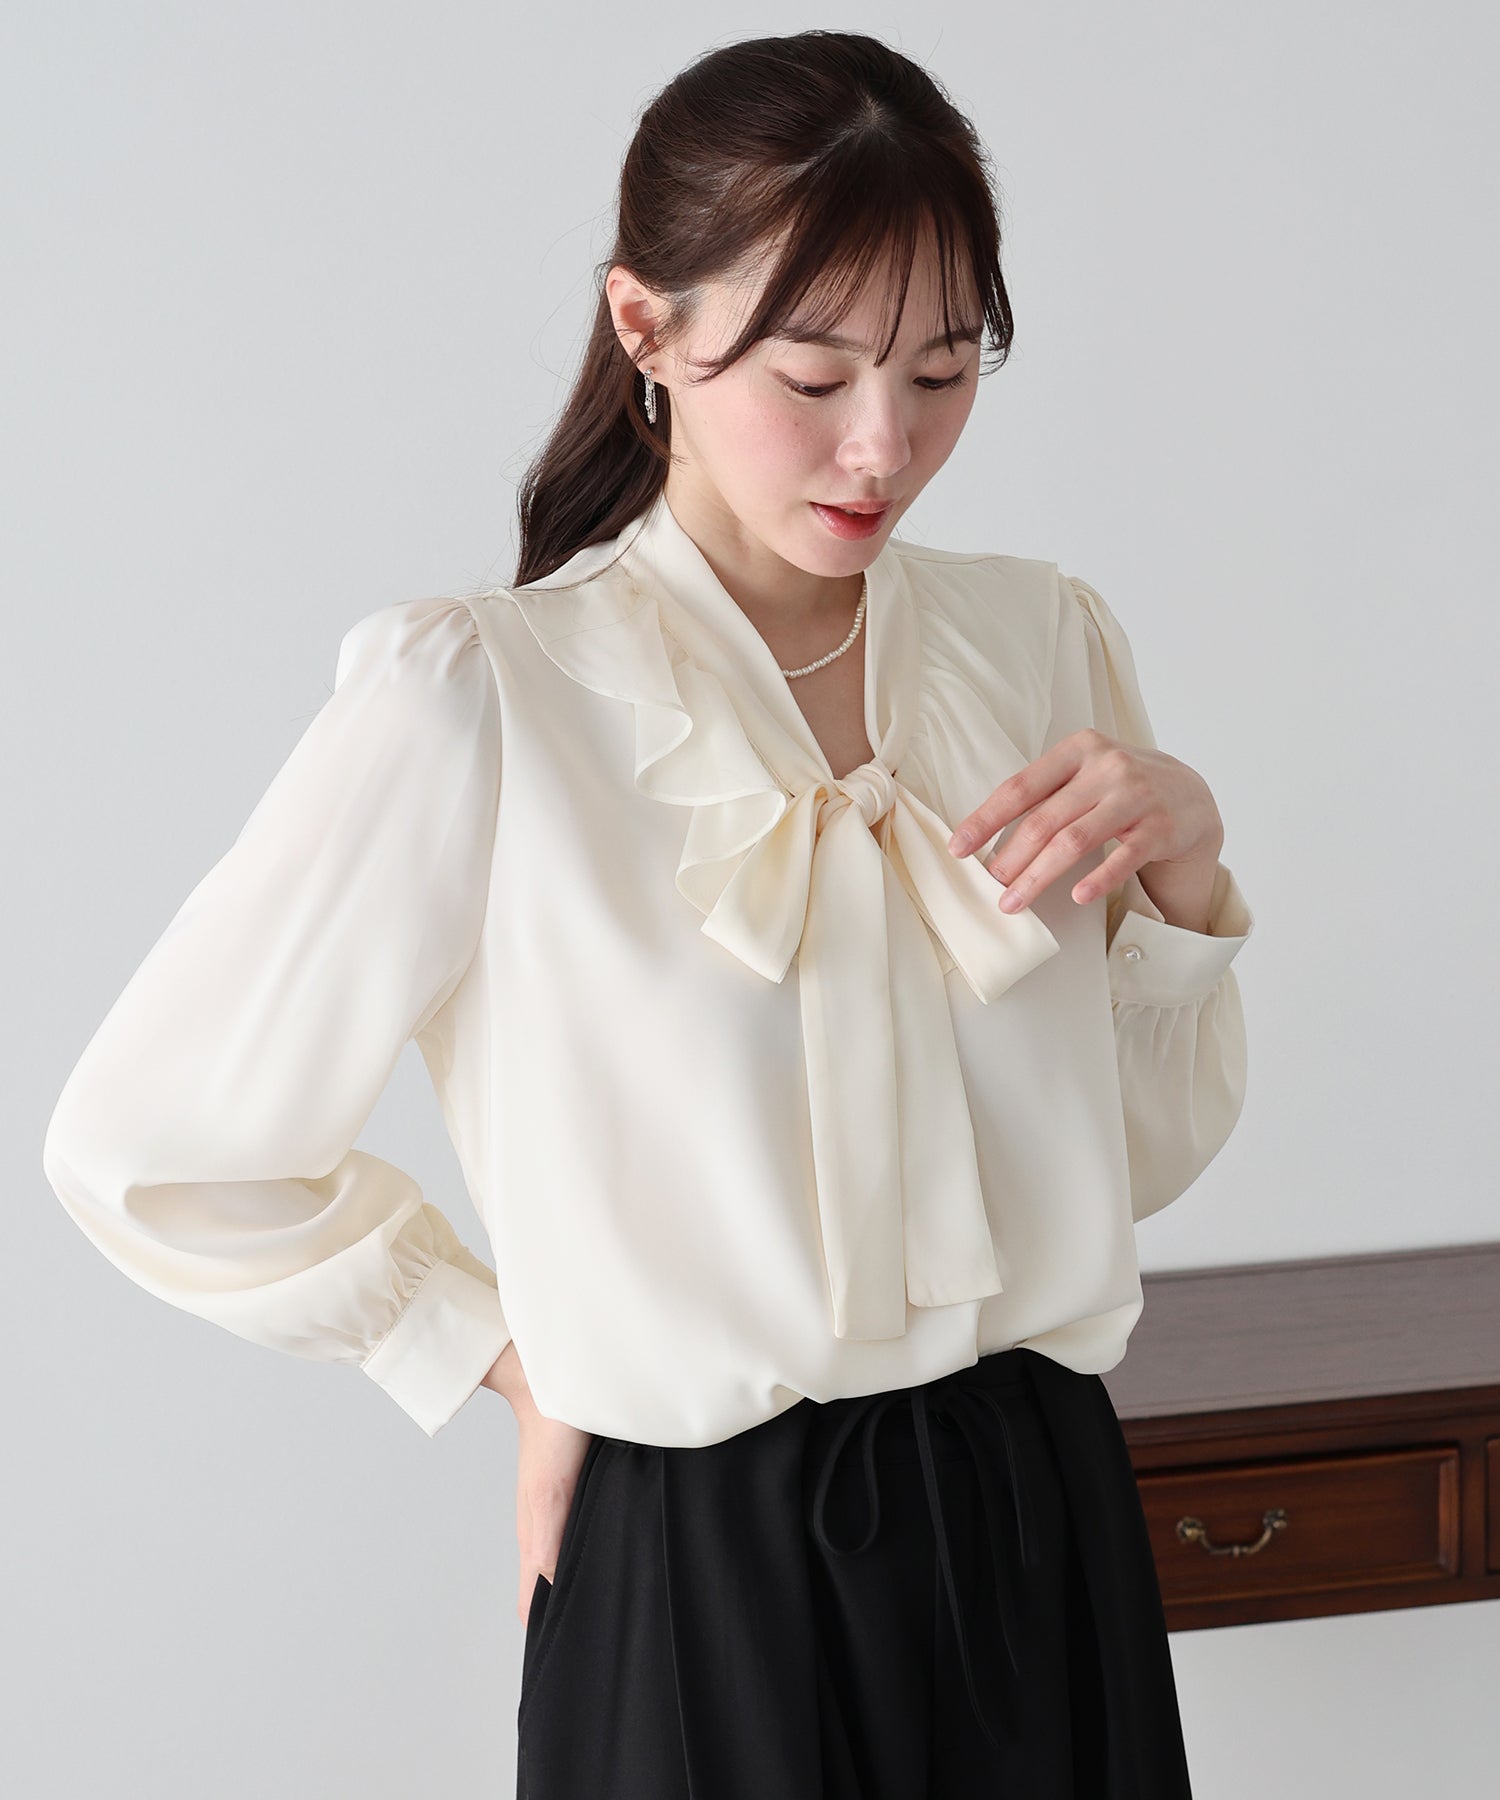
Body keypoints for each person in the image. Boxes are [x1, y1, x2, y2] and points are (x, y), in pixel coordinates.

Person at [42, 28, 1253, 1800]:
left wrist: (1187, 880)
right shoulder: (483, 699)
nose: (884, 442)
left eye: (941, 370)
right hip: (704, 1563)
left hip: (1035, 1519)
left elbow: (1129, 1156)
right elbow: (148, 1147)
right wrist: (496, 1356)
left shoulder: (1041, 642)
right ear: (645, 326)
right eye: (815, 373)